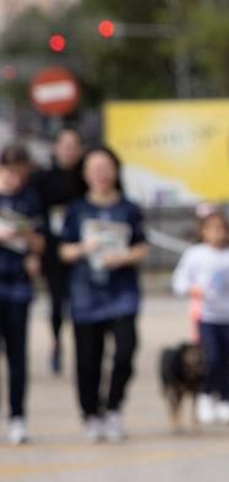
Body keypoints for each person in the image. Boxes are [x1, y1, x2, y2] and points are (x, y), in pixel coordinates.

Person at [58, 146, 148, 443]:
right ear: (85, 174)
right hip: (86, 294)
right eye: (95, 168)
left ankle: (114, 407)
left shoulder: (129, 209)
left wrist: (122, 257)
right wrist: (85, 248)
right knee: (88, 359)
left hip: (122, 293)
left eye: (106, 167)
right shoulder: (77, 210)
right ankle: (90, 413)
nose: (101, 173)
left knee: (125, 351)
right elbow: (63, 249)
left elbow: (142, 246)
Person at [172, 208, 229, 426]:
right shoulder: (195, 254)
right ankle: (205, 396)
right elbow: (179, 281)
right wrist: (192, 290)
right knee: (211, 358)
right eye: (212, 228)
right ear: (203, 231)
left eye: (221, 228)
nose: (217, 232)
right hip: (206, 316)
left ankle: (226, 400)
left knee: (227, 360)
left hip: (228, 316)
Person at [33, 126, 87, 375]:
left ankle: (85, 348)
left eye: (74, 145)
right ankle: (56, 343)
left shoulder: (87, 177)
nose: (69, 150)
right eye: (64, 145)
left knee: (82, 301)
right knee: (57, 303)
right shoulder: (43, 179)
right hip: (53, 249)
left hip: (84, 250)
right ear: (55, 148)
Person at [0, 144, 44, 444]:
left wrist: (24, 236)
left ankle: (18, 417)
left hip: (16, 287)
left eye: (22, 173)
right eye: (11, 172)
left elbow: (41, 245)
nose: (16, 178)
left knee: (17, 357)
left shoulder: (31, 199)